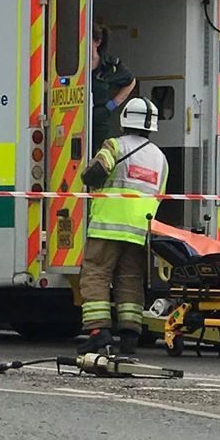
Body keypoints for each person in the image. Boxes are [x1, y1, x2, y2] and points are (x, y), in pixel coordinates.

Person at [78, 94, 168, 359]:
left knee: (96, 275)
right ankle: (130, 335)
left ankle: (98, 332)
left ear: (125, 119)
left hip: (107, 227)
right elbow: (159, 196)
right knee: (130, 282)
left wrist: (88, 176)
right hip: (139, 232)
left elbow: (96, 172)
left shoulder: (115, 146)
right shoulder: (161, 159)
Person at [90, 56, 138, 146]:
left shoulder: (108, 65)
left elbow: (130, 81)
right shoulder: (75, 62)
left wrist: (111, 105)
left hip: (99, 119)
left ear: (98, 42)